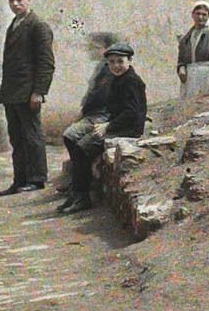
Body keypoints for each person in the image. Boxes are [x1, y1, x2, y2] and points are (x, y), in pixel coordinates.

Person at [59, 42, 147, 214]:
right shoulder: (118, 79)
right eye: (112, 62)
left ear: (129, 61)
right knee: (76, 142)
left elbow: (132, 113)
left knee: (84, 147)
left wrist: (108, 126)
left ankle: (83, 197)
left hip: (128, 129)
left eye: (120, 61)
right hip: (117, 124)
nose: (116, 66)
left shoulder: (132, 81)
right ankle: (77, 191)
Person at [0, 0, 54, 195]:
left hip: (28, 92)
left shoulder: (38, 26)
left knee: (32, 136)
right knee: (17, 138)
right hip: (12, 92)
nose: (15, 4)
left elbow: (46, 63)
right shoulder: (14, 24)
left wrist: (39, 92)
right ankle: (20, 179)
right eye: (11, 0)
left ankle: (37, 178)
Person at [59, 31, 120, 198]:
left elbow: (100, 97)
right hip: (94, 113)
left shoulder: (110, 68)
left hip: (103, 115)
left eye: (96, 47)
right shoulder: (101, 66)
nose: (91, 50)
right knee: (70, 135)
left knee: (77, 140)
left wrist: (83, 112)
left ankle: (80, 186)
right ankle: (77, 180)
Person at [177, 0, 209, 106]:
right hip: (190, 73)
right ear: (192, 15)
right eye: (198, 14)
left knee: (203, 101)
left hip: (205, 71)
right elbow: (181, 58)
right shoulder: (187, 36)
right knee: (188, 103)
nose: (200, 17)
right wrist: (181, 67)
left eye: (204, 15)